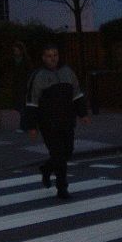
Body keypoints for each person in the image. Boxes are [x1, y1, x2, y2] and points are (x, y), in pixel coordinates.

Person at [23, 43, 90, 199]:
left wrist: (83, 114)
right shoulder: (38, 76)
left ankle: (47, 168)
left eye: (55, 55)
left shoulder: (68, 72)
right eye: (49, 56)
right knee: (58, 155)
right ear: (43, 58)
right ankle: (62, 188)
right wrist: (32, 126)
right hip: (48, 123)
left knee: (68, 152)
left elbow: (77, 94)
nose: (52, 59)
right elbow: (31, 102)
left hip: (67, 120)